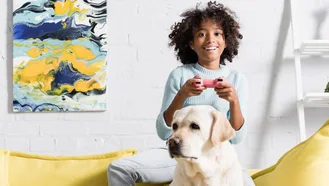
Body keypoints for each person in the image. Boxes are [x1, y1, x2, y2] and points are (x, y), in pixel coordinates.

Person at [107, 1, 254, 185]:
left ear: (226, 41)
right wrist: (182, 95)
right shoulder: (179, 75)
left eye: (217, 34)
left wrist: (234, 101)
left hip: (219, 157)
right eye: (201, 34)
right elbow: (163, 132)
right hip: (179, 157)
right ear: (191, 43)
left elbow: (237, 138)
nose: (210, 39)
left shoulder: (237, 80)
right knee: (119, 169)